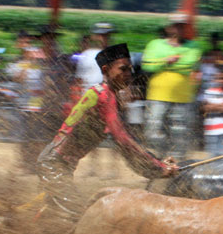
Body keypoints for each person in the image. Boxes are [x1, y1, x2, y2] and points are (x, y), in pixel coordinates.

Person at [36, 43, 178, 217]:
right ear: (106, 70)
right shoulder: (103, 96)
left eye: (130, 70)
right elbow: (123, 140)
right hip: (54, 165)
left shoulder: (106, 95)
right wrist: (158, 167)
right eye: (123, 69)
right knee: (77, 217)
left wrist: (157, 164)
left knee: (57, 213)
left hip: (58, 164)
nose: (128, 75)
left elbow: (126, 145)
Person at [142, 12, 202, 160]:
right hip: (157, 97)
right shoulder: (155, 44)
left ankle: (178, 164)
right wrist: (166, 61)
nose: (179, 30)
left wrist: (162, 63)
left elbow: (189, 63)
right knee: (151, 131)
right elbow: (147, 65)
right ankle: (163, 156)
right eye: (176, 26)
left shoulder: (194, 47)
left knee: (180, 134)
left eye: (182, 27)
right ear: (169, 28)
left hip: (183, 98)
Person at [75, 22, 116, 91]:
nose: (105, 38)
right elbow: (80, 79)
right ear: (94, 37)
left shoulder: (115, 55)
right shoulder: (87, 55)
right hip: (90, 94)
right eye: (102, 35)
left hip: (107, 94)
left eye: (107, 35)